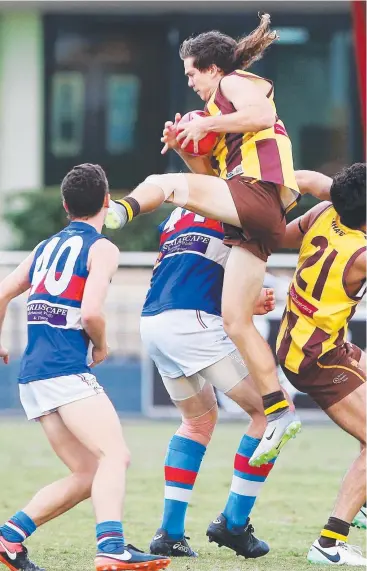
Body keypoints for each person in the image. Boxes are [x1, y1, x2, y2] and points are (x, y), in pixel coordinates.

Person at [105, 14, 302, 467]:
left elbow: (264, 114)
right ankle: (276, 410)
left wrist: (204, 130)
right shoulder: (219, 116)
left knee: (163, 183)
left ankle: (121, 210)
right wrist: (184, 146)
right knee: (235, 320)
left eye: (193, 72)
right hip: (255, 215)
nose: (190, 81)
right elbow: (212, 182)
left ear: (212, 67)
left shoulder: (234, 83)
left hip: (257, 192)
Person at [0, 164, 170, 571]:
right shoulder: (102, 248)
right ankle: (112, 546)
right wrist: (102, 345)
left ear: (64, 205)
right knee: (116, 456)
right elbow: (91, 312)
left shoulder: (44, 247)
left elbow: (3, 292)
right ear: (108, 202)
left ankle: (9, 537)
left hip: (33, 376)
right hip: (64, 370)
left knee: (87, 472)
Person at [140, 206, 282, 559]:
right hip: (192, 322)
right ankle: (233, 524)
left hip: (154, 321)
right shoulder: (237, 204)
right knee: (273, 414)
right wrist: (249, 301)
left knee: (197, 421)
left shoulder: (178, 211)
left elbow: (193, 271)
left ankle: (169, 533)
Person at [277, 164, 366, 566]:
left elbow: (308, 184)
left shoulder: (324, 213)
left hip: (302, 342)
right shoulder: (362, 254)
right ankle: (329, 543)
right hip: (318, 358)